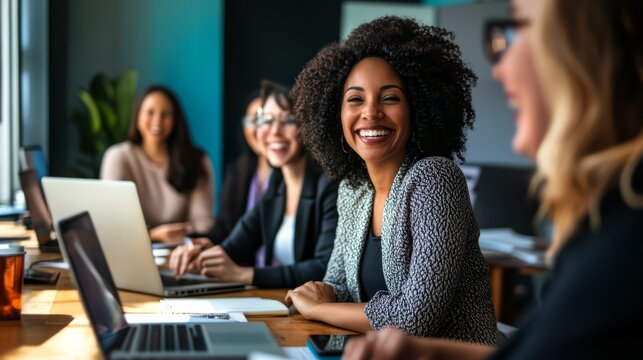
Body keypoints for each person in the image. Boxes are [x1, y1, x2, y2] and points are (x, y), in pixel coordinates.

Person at [343, 0, 643, 358]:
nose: (500, 69)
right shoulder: (604, 212)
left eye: (517, 31)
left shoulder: (629, 233)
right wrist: (426, 352)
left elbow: (412, 316)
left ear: (591, 50)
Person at [285, 16, 503, 345]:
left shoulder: (435, 179)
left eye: (390, 98)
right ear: (336, 113)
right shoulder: (354, 191)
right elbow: (337, 288)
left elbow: (414, 320)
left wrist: (317, 309)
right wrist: (320, 299)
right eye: (355, 99)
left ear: (417, 108)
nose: (370, 113)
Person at [168, 80, 339, 288]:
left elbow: (324, 267)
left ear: (308, 127)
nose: (274, 131)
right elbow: (236, 245)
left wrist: (245, 275)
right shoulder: (277, 184)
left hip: (312, 311)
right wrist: (200, 253)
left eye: (288, 120)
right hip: (284, 305)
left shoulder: (329, 185)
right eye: (266, 120)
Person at [100, 85, 214, 244]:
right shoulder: (119, 157)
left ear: (175, 121)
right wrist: (153, 235)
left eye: (166, 115)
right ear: (137, 117)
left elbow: (203, 225)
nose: (157, 121)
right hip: (131, 249)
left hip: (181, 252)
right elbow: (113, 224)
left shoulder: (198, 160)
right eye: (150, 113)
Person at [207, 92, 272, 244]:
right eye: (252, 121)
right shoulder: (238, 170)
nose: (258, 129)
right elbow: (224, 228)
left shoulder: (294, 176)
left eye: (265, 120)